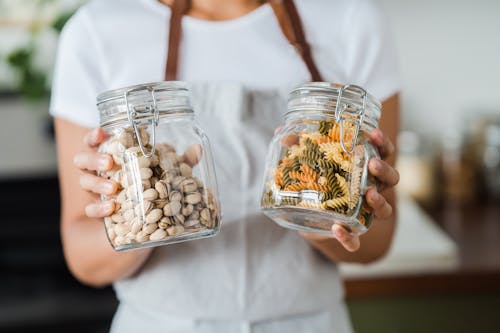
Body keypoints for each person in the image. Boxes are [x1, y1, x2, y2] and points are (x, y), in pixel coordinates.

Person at [51, 0, 400, 332]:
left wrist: (322, 216)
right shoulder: (97, 30)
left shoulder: (351, 18)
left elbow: (378, 242)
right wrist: (146, 210)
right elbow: (85, 258)